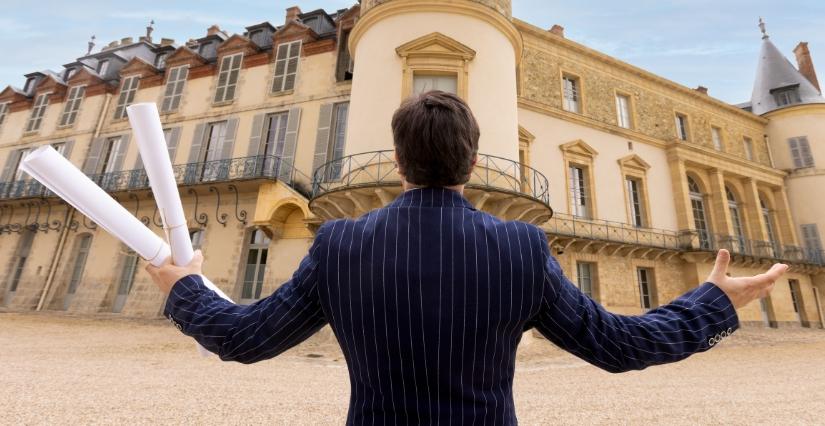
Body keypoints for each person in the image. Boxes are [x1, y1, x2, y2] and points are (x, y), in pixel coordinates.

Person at [147, 90, 788, 425]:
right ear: (474, 162)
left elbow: (244, 337)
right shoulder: (520, 246)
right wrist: (714, 302)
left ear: (397, 163)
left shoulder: (340, 243)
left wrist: (184, 285)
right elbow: (619, 345)